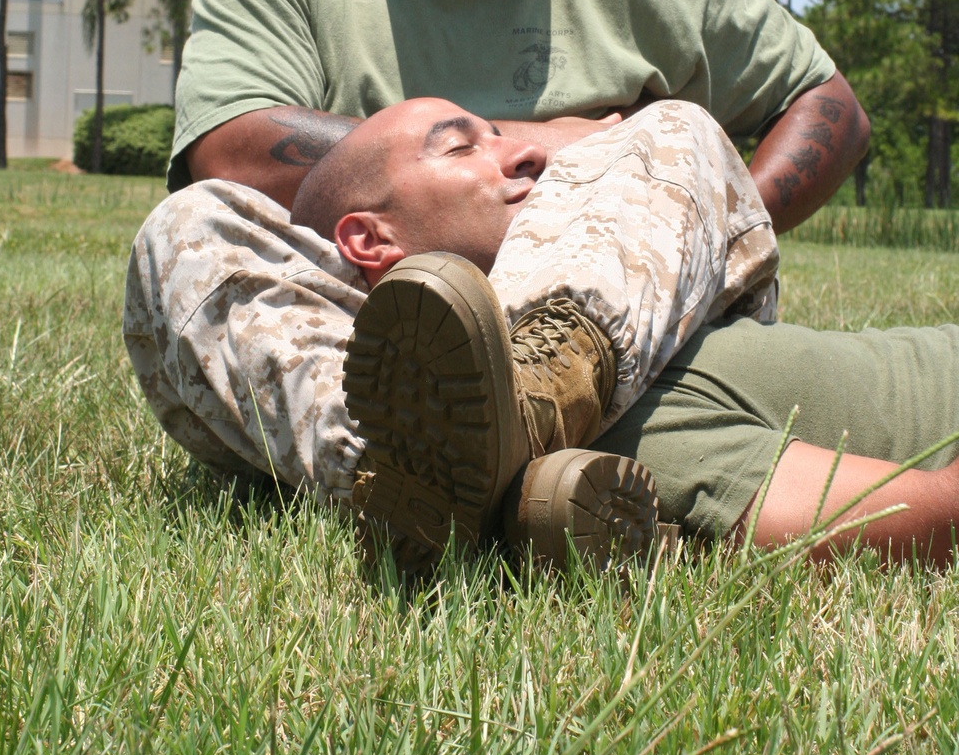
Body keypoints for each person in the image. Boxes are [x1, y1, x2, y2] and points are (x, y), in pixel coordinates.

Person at [125, 0, 870, 566]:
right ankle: (417, 472)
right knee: (184, 230)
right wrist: (573, 139)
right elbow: (232, 150)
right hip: (375, 348)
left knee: (677, 135)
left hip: (622, 355)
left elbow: (832, 108)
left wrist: (695, 225)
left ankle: (507, 433)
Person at [294, 96, 959, 573]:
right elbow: (908, 517)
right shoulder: (629, 429)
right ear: (368, 237)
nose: (527, 150)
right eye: (463, 145)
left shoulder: (647, 318)